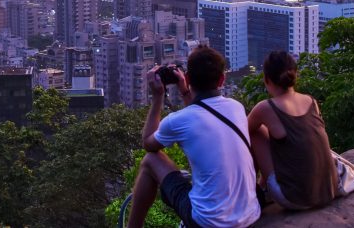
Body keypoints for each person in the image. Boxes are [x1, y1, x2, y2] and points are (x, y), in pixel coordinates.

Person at [128, 46, 261, 228]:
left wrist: (158, 97)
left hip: (207, 222)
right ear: (222, 79)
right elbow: (203, 112)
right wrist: (184, 90)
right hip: (250, 216)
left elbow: (149, 143)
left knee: (151, 160)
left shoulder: (178, 120)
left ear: (189, 78)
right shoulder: (236, 107)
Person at [248, 51, 337, 210]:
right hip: (329, 190)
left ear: (266, 79)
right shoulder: (311, 101)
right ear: (295, 74)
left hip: (294, 198)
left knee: (256, 132)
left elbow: (243, 134)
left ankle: (256, 190)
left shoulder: (266, 108)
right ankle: (265, 186)